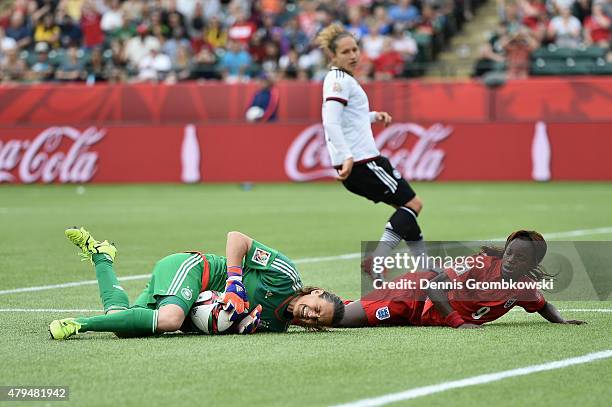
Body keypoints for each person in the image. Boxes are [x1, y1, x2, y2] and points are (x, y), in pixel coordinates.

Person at [49, 227, 345, 340]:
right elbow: (236, 238)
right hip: (194, 269)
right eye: (317, 308)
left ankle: (102, 258)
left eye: (318, 320)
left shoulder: (277, 326)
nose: (311, 315)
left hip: (194, 304)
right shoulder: (285, 276)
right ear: (316, 293)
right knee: (169, 318)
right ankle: (78, 324)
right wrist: (234, 283)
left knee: (121, 325)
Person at [316, 24, 426, 280]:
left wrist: (373, 116)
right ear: (333, 56)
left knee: (405, 210)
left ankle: (425, 268)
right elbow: (330, 121)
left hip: (358, 163)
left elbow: (347, 118)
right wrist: (347, 155)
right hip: (364, 161)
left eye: (355, 49)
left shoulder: (337, 79)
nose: (353, 55)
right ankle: (378, 259)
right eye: (346, 51)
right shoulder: (340, 81)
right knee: (413, 204)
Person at [337, 230, 586, 329]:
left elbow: (542, 305)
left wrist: (561, 321)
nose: (510, 260)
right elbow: (434, 287)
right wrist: (458, 322)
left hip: (419, 319)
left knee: (353, 312)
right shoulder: (479, 264)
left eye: (520, 258)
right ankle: (299, 306)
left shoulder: (523, 288)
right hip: (412, 295)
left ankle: (333, 302)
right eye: (509, 252)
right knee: (340, 320)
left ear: (532, 264)